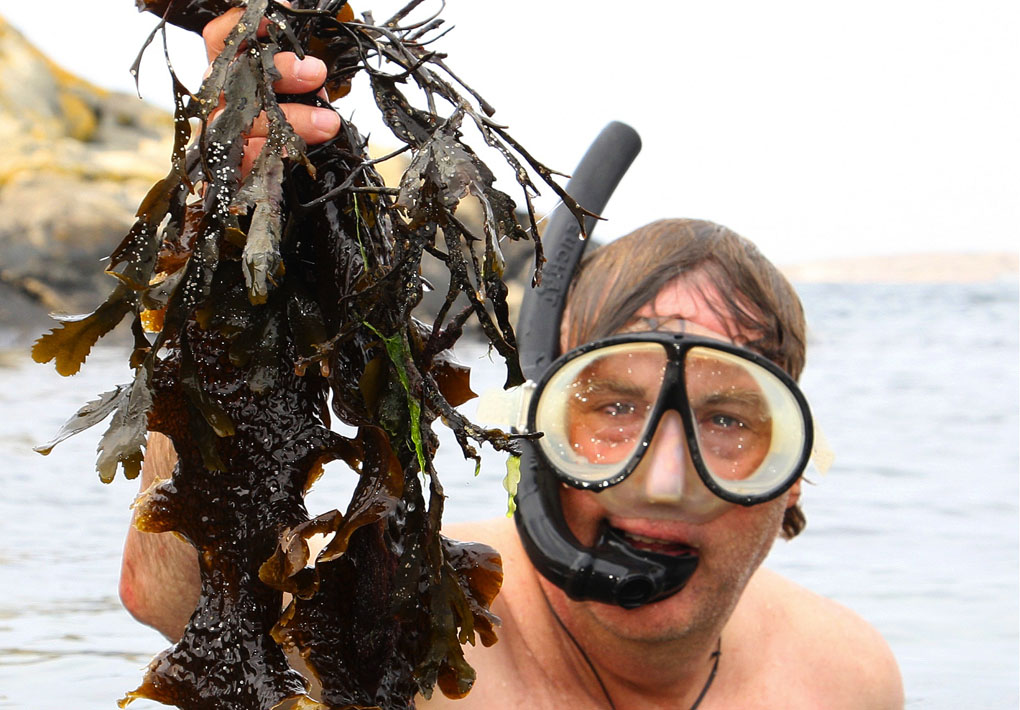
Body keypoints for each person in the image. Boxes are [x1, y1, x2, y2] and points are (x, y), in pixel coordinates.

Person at [119, 9, 905, 709]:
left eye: (728, 417)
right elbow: (174, 598)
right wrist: (227, 236)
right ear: (541, 424)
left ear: (793, 465)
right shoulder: (404, 624)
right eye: (617, 405)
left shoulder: (842, 680)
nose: (663, 482)